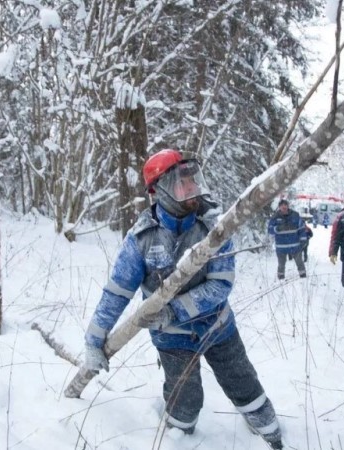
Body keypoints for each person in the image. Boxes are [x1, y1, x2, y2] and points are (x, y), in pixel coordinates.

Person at [81, 149, 283, 449]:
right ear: (160, 190)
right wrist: (94, 340)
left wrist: (173, 310)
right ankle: (177, 438)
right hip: (171, 339)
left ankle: (271, 434)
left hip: (218, 328)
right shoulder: (141, 239)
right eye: (182, 183)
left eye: (193, 180)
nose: (192, 189)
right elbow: (117, 292)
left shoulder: (215, 225)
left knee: (243, 383)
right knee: (185, 403)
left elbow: (221, 284)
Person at [267, 199, 308, 279]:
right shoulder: (275, 217)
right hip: (281, 247)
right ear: (279, 207)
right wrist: (277, 228)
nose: (284, 207)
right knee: (281, 264)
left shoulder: (295, 215)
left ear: (288, 206)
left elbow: (302, 228)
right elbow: (270, 230)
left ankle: (303, 276)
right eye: (282, 205)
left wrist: (303, 240)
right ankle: (281, 277)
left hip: (295, 245)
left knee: (299, 262)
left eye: (285, 205)